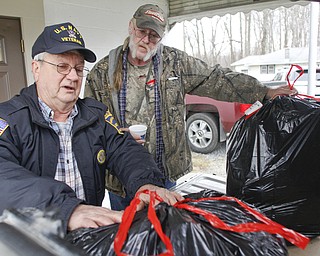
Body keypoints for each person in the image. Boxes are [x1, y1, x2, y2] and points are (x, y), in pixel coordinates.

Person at [84, 4, 298, 210]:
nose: (146, 40)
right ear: (131, 26)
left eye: (154, 35)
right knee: (128, 238)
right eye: (142, 31)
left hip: (164, 176)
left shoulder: (175, 63)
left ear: (161, 37)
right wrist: (118, 136)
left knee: (166, 234)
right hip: (120, 183)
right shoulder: (102, 72)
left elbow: (217, 78)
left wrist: (263, 92)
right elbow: (91, 124)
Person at [0, 22, 183, 233]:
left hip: (89, 238)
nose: (73, 76)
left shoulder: (95, 115)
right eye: (62, 67)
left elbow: (124, 149)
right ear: (36, 69)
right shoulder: (9, 119)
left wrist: (146, 183)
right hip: (31, 240)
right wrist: (65, 209)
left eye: (78, 68)